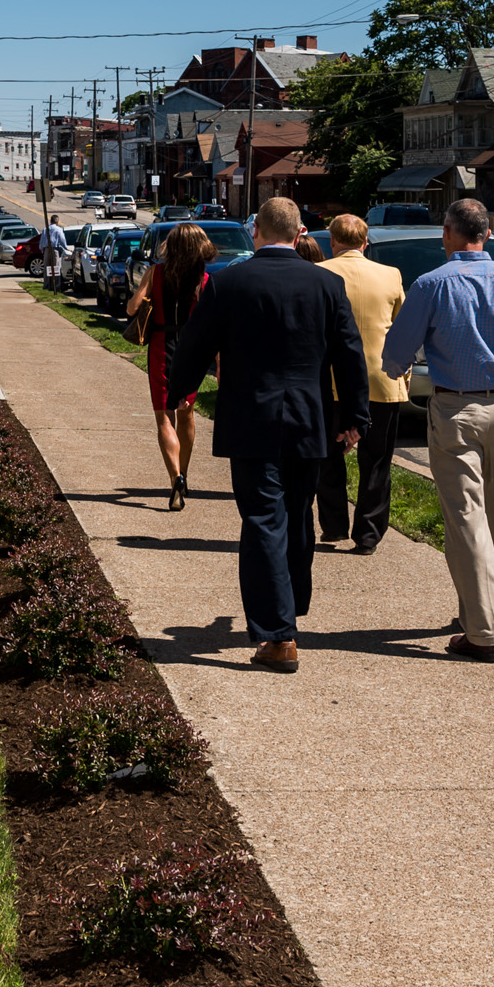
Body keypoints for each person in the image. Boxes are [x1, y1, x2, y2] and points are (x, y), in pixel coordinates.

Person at [166, 196, 370, 672]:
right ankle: (290, 607)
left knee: (263, 519)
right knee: (298, 516)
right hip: (309, 419)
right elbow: (349, 354)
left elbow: (195, 345)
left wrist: (181, 391)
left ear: (256, 230)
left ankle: (278, 636)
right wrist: (356, 417)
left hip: (252, 417)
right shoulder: (327, 283)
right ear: (301, 235)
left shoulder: (228, 283)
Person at [380, 197, 494, 664]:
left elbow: (396, 353)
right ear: (485, 235)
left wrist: (398, 365)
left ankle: (483, 632)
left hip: (455, 412)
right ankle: (480, 611)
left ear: (448, 232)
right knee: (492, 514)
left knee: (465, 517)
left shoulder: (432, 285)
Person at [316, 214, 407, 553]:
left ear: (333, 241)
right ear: (365, 243)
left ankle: (334, 524)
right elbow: (400, 328)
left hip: (329, 381)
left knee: (327, 456)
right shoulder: (390, 275)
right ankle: (368, 534)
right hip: (381, 381)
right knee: (377, 460)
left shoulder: (321, 272)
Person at [128, 222, 215, 511]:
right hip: (192, 347)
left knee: (164, 418)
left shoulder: (156, 273)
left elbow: (131, 308)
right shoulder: (204, 279)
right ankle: (185, 474)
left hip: (161, 345)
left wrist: (145, 294)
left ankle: (174, 476)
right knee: (186, 412)